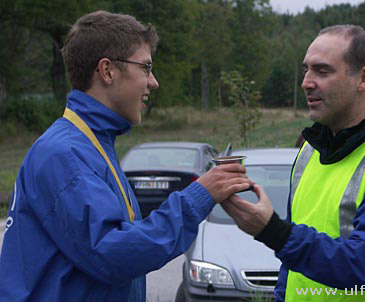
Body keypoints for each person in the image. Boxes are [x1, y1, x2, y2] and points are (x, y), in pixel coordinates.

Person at [0, 11, 253, 302]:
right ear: (107, 71)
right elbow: (112, 253)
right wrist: (198, 197)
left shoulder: (90, 145)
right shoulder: (64, 154)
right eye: (146, 68)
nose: (154, 82)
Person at [221, 24, 365, 301]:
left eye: (322, 71)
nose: (306, 82)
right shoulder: (308, 152)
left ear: (363, 78)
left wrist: (272, 231)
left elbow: (364, 264)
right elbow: (291, 270)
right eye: (306, 70)